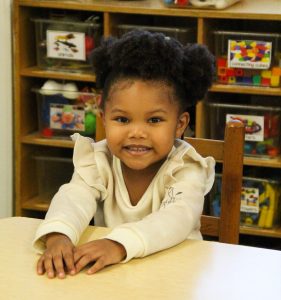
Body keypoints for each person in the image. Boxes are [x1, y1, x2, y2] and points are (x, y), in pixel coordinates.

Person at [33, 30, 216, 279]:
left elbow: (175, 219)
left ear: (180, 124)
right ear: (104, 120)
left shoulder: (186, 168)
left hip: (173, 277)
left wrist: (118, 245)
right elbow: (73, 198)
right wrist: (59, 235)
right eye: (122, 119)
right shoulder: (99, 160)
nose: (137, 132)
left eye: (154, 120)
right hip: (113, 278)